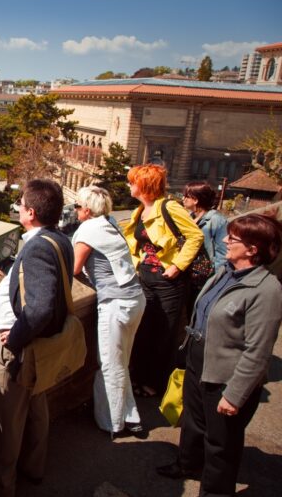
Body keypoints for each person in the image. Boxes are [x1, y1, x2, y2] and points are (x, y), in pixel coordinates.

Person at [156, 214, 282, 496]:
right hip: (199, 360)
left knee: (221, 442)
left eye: (232, 239)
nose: (224, 241)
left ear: (253, 249)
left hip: (226, 375)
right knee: (192, 423)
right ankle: (187, 465)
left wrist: (235, 394)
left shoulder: (267, 290)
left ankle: (215, 491)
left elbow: (258, 351)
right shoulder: (226, 271)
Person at [0, 179, 73, 497]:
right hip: (42, 347)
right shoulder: (60, 239)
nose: (18, 207)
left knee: (8, 422)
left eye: (21, 204)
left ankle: (2, 486)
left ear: (31, 212)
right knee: (37, 408)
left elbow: (39, 309)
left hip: (22, 350)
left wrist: (15, 339)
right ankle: (34, 467)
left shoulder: (36, 249)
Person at [122, 164, 204, 397]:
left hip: (169, 281)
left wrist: (178, 266)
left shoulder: (169, 207)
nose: (129, 185)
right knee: (144, 329)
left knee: (164, 333)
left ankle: (155, 383)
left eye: (133, 181)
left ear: (145, 185)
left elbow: (195, 235)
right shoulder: (140, 210)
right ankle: (137, 378)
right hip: (145, 276)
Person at [72, 186, 146, 438]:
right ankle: (130, 416)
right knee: (122, 361)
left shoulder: (88, 229)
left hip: (116, 303)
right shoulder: (109, 222)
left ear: (86, 209)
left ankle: (111, 423)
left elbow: (73, 268)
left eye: (76, 207)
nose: (74, 211)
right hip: (135, 297)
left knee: (109, 364)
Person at [182, 181, 228, 268]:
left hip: (206, 272)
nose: (183, 199)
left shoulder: (217, 220)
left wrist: (213, 275)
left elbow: (223, 253)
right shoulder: (189, 218)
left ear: (195, 200)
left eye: (186, 196)